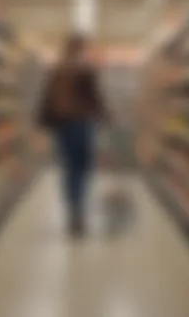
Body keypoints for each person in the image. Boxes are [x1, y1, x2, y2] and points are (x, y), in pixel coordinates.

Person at [38, 33, 109, 237]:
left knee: (69, 167)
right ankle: (79, 209)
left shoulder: (56, 69)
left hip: (62, 125)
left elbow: (46, 97)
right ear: (80, 48)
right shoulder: (84, 68)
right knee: (83, 166)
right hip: (81, 123)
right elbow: (95, 97)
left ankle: (72, 209)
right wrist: (105, 116)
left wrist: (46, 122)